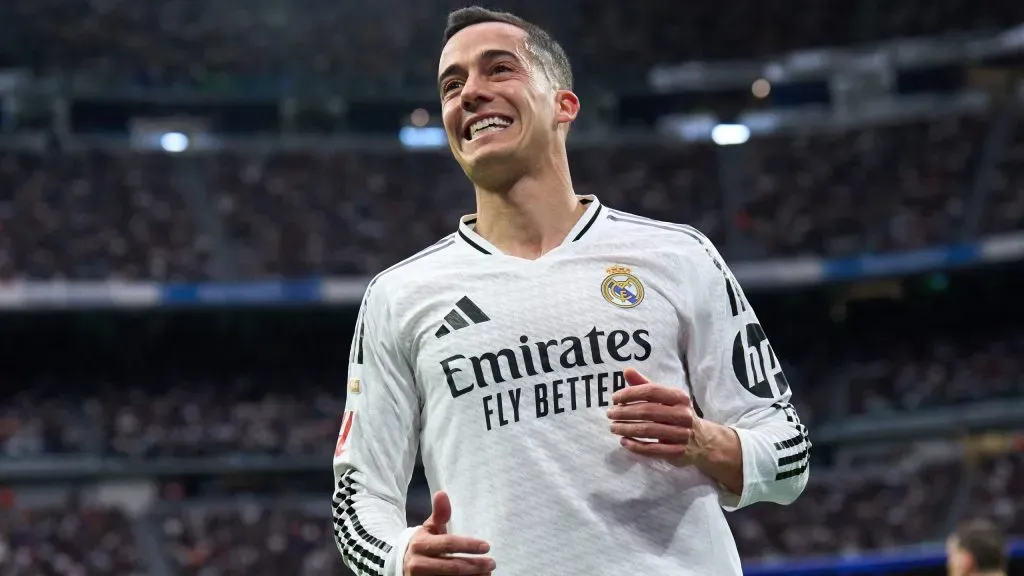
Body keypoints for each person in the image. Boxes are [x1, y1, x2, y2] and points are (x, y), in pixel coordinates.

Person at [331, 6, 810, 575]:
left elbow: (789, 449)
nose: (471, 94)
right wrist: (398, 555)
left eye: (498, 70)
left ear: (564, 104)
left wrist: (704, 442)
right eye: (452, 85)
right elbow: (358, 499)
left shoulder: (678, 256)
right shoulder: (399, 295)